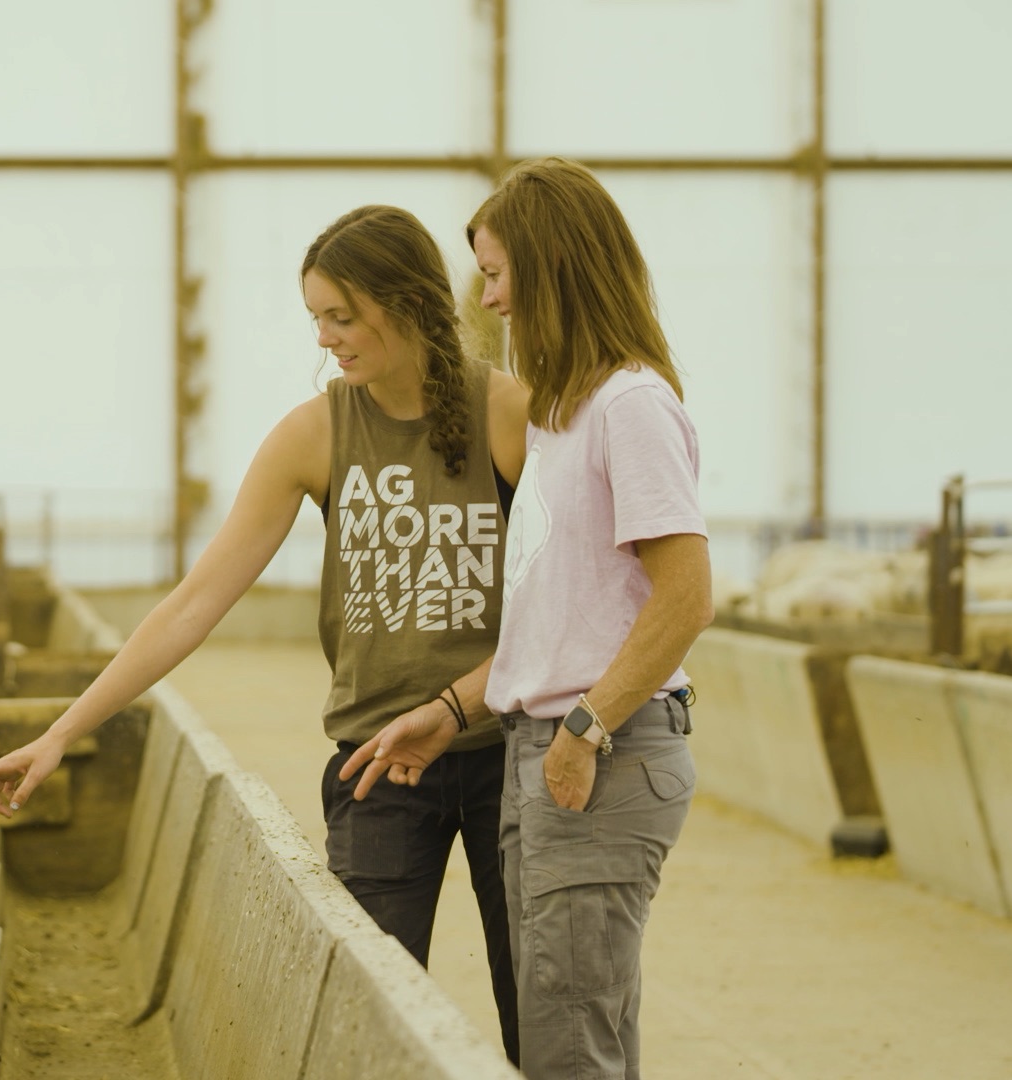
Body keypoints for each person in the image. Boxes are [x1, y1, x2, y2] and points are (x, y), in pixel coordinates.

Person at [0, 204, 528, 1062]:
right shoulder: (315, 434)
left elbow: (567, 601)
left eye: (342, 317)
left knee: (536, 1002)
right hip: (378, 763)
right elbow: (194, 602)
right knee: (367, 1014)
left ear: (406, 303)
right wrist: (61, 733)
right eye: (317, 321)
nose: (328, 340)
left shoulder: (507, 412)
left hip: (506, 752)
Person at [343, 158, 711, 1080]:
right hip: (536, 744)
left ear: (553, 268)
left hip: (598, 750)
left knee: (567, 1038)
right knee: (569, 1026)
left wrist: (586, 727)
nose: (491, 298)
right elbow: (558, 617)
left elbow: (687, 596)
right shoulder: (561, 415)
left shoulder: (630, 404)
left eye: (500, 273)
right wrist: (457, 709)